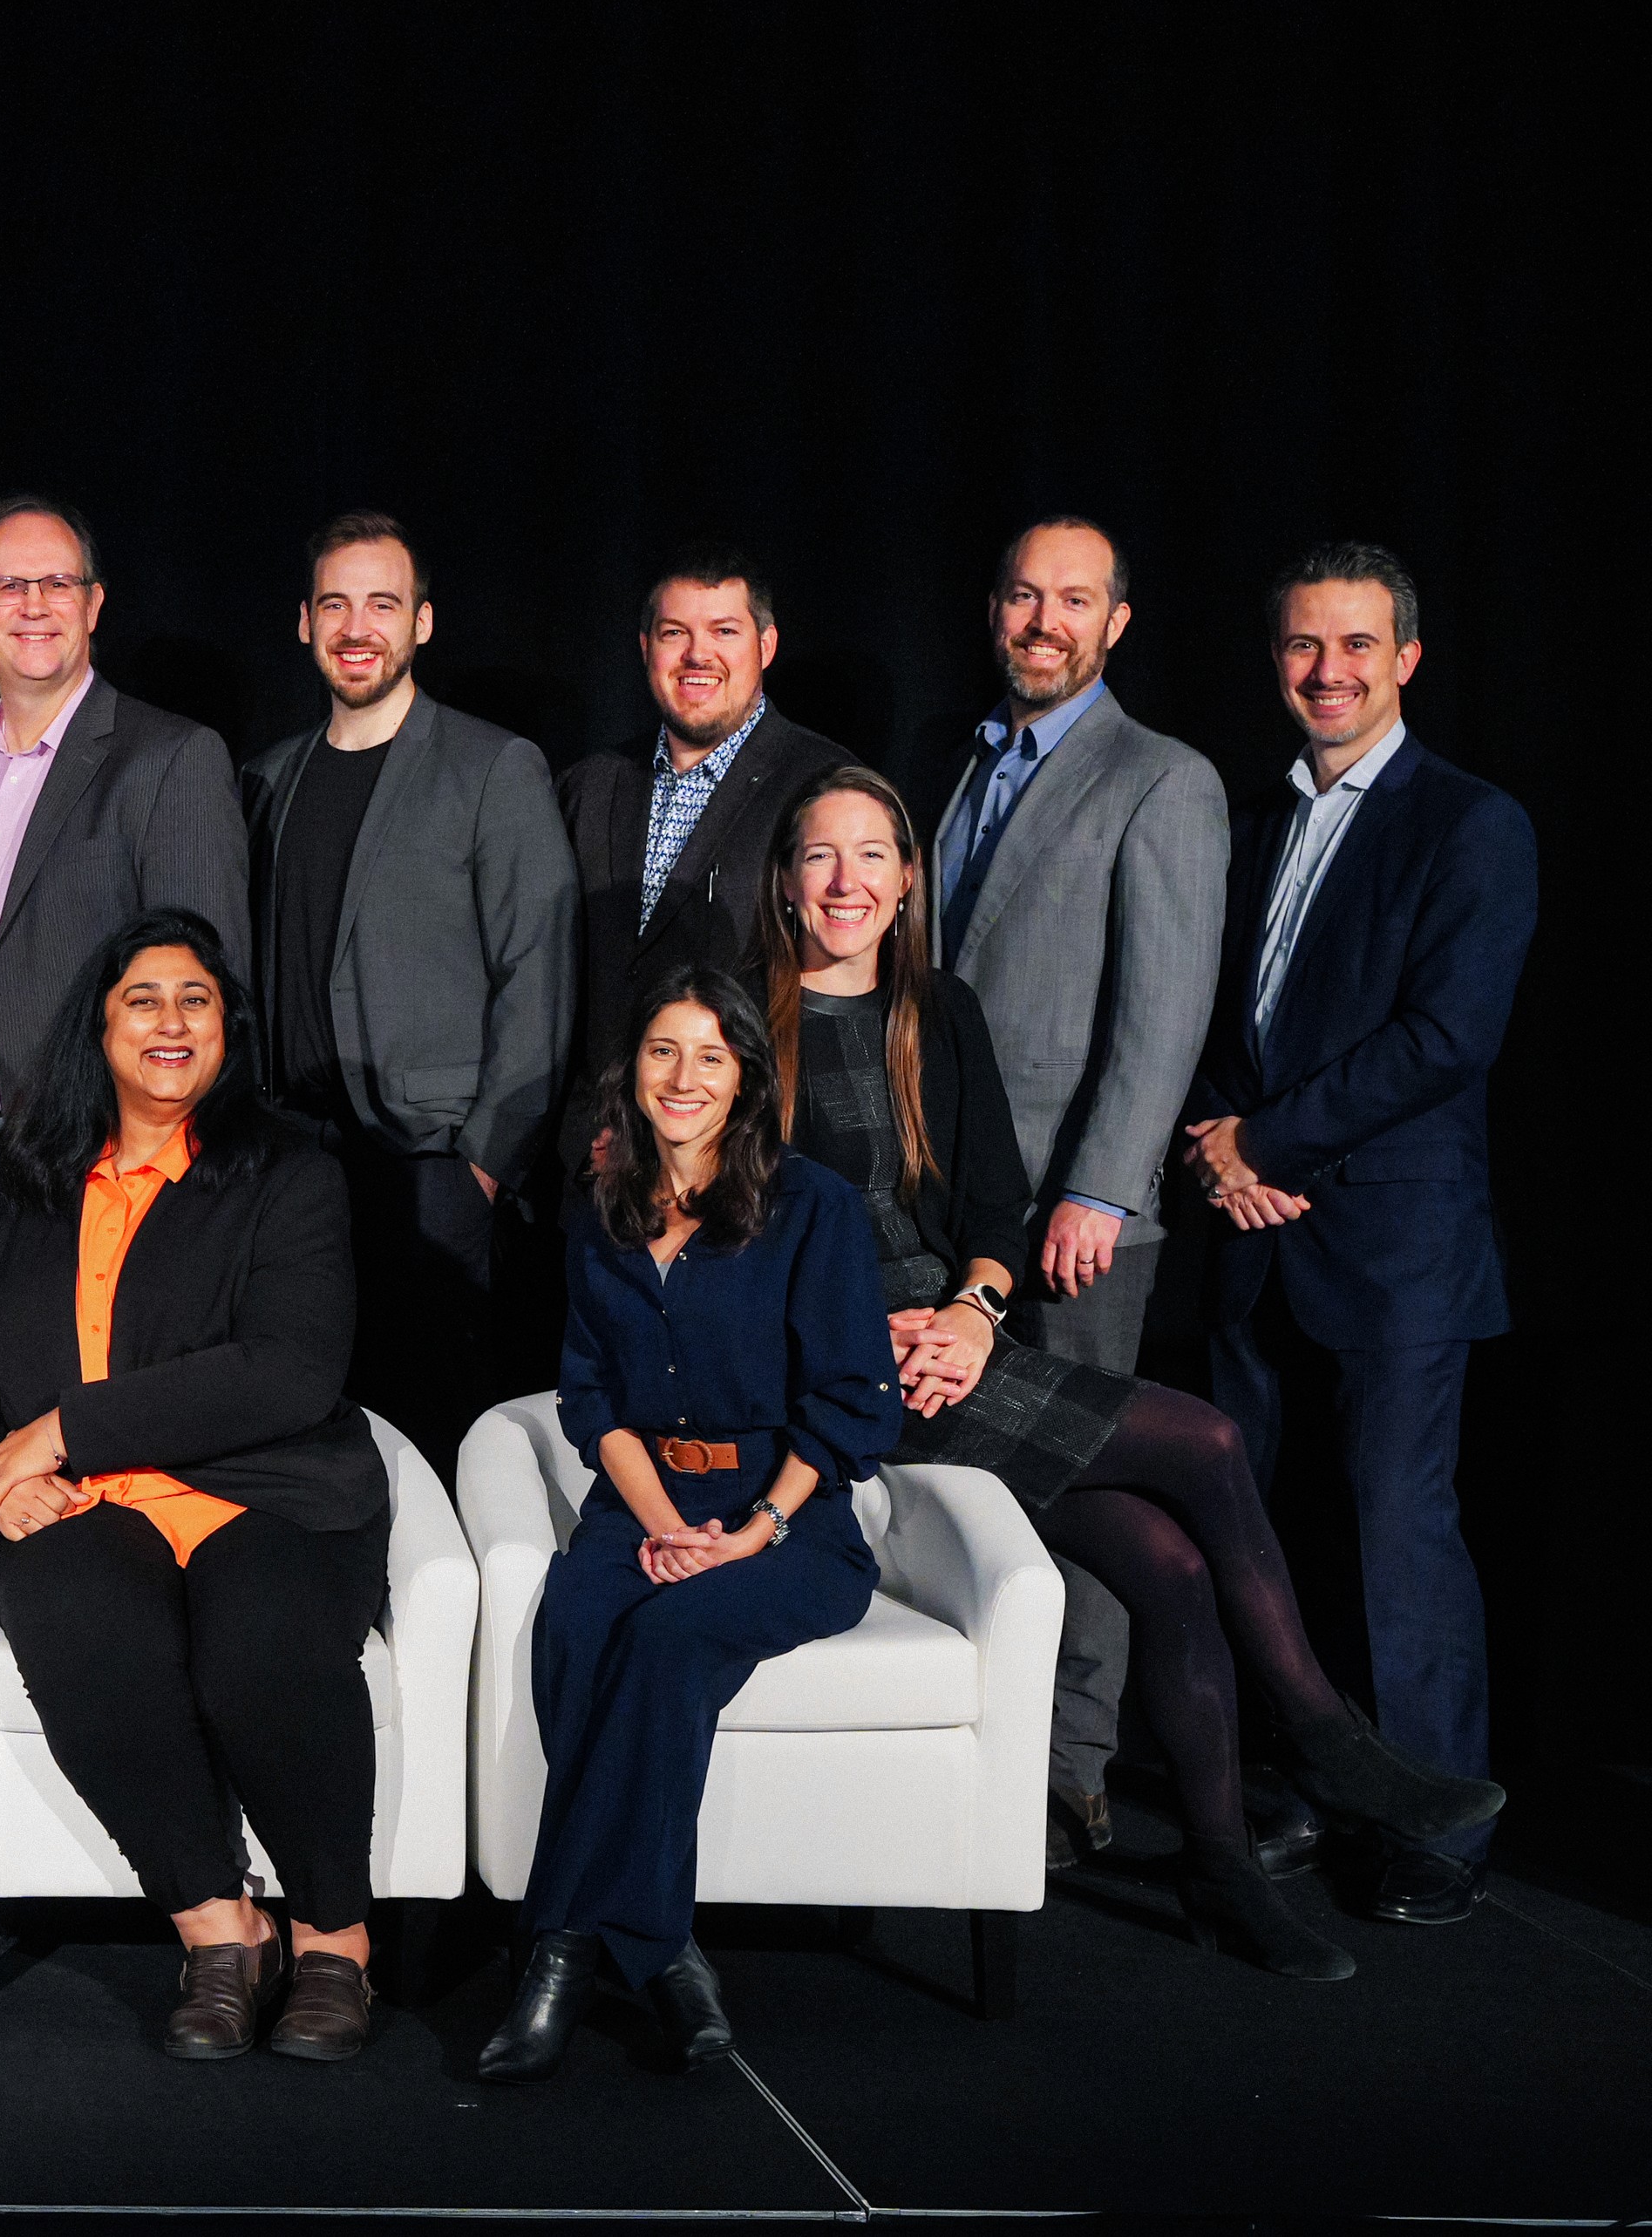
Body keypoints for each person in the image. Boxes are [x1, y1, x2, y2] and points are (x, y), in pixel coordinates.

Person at [765, 768, 1501, 1978]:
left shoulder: (937, 1011)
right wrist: (864, 1335)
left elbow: (993, 1209)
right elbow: (731, 1239)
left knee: (1169, 1568)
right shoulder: (742, 1023)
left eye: (872, 856)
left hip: (957, 1348)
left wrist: (974, 1311)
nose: (846, 881)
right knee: (1207, 1442)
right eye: (819, 856)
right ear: (786, 884)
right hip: (841, 1373)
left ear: (906, 883)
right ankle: (1322, 1733)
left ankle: (1220, 1867)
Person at [0, 908, 389, 2064]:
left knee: (263, 1645)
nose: (171, 1020)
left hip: (262, 1489)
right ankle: (219, 1931)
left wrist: (60, 1430)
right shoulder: (29, 1181)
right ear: (99, 1026)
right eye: (143, 998)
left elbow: (289, 1368)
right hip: (87, 1508)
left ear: (229, 1027)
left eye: (196, 999)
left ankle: (333, 1939)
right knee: (79, 1621)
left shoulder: (290, 1172)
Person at [1185, 543, 1539, 1928]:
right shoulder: (1254, 820)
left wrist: (1266, 1143)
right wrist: (1218, 1146)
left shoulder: (1472, 823)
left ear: (1407, 660)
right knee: (1272, 1535)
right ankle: (1321, 1783)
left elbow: (1446, 1036)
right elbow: (1223, 1021)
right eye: (1303, 645)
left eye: (1355, 645)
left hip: (1397, 1246)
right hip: (1252, 1234)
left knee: (1400, 1533)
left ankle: (1439, 1820)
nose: (1326, 670)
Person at [477, 968, 893, 2084]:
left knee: (665, 1638)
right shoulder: (602, 1210)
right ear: (633, 1071)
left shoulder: (811, 1205)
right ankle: (662, 1951)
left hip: (792, 1520)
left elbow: (853, 1400)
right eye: (663, 1051)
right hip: (643, 1502)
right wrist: (662, 1526)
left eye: (711, 1055)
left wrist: (752, 1531)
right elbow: (590, 1401)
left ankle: (557, 1952)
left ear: (746, 1076)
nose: (684, 1076)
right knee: (576, 1625)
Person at [928, 517, 1229, 1864]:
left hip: (1074, 1212)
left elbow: (1164, 1009)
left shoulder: (1162, 776)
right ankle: (990, 1740)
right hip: (966, 1201)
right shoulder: (969, 761)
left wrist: (1102, 1188)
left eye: (1074, 599)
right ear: (995, 609)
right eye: (1023, 594)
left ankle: (1071, 1768)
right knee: (988, 1477)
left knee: (1090, 1490)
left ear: (1116, 622)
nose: (1043, 619)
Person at [241, 513, 577, 1462]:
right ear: (303, 621)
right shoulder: (265, 778)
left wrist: (483, 1168)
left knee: (432, 1443)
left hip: (428, 1169)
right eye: (335, 604)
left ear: (422, 623)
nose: (357, 628)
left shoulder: (491, 766)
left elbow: (538, 974)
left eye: (382, 604)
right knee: (309, 1439)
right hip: (292, 1166)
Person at [0, 494, 248, 1261]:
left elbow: (206, 999)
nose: (35, 605)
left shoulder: (170, 759)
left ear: (93, 605)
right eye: (10, 586)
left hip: (94, 1170)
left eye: (58, 583)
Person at [554, 547, 850, 1089]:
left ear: (766, 646)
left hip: (750, 1122)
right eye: (674, 633)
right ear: (645, 647)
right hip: (595, 1126)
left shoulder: (826, 788)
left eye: (724, 632)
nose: (697, 655)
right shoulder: (587, 787)